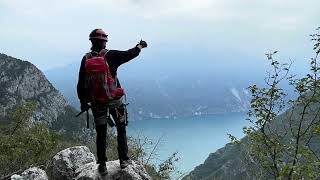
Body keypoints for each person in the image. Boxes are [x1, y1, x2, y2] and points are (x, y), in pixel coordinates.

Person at [77, 28, 147, 175]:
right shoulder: (111, 55)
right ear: (104, 42)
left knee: (101, 134)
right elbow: (129, 54)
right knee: (121, 128)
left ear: (91, 41)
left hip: (97, 103)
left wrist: (84, 103)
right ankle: (123, 160)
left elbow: (81, 84)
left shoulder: (86, 59)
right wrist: (140, 46)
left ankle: (102, 165)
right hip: (115, 100)